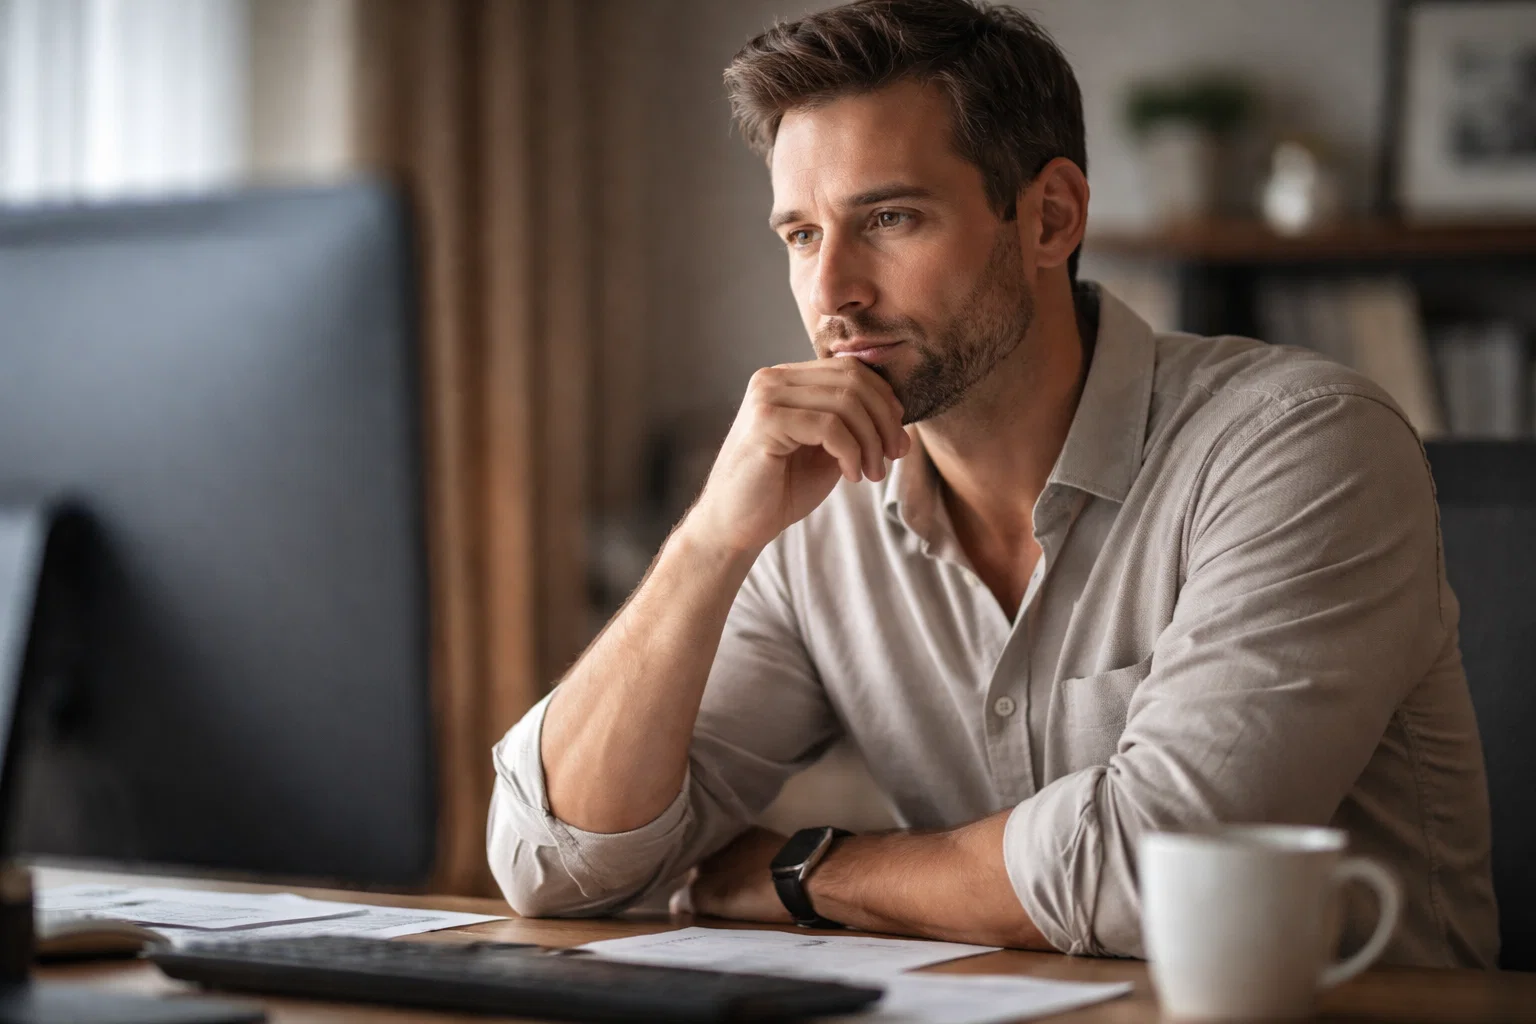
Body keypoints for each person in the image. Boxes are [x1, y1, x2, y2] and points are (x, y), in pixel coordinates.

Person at [487, 0, 1498, 966]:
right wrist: (710, 540)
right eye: (800, 233)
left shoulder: (1302, 447)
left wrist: (810, 869)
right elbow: (556, 863)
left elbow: (1159, 870)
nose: (831, 290)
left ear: (1050, 217)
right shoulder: (814, 506)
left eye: (888, 217)